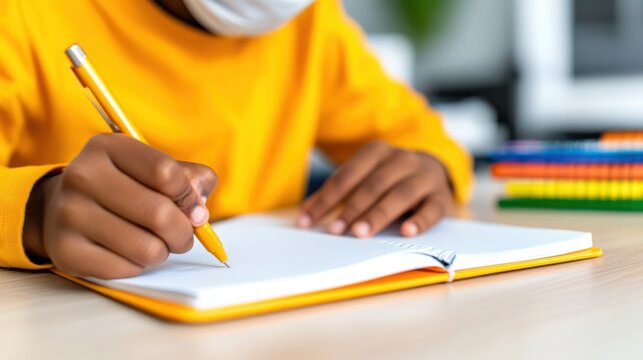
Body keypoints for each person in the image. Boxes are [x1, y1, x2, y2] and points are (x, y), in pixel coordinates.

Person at [0, 0, 472, 279]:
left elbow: (422, 136)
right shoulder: (24, 15)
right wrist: (38, 211)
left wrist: (429, 165)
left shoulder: (308, 21)